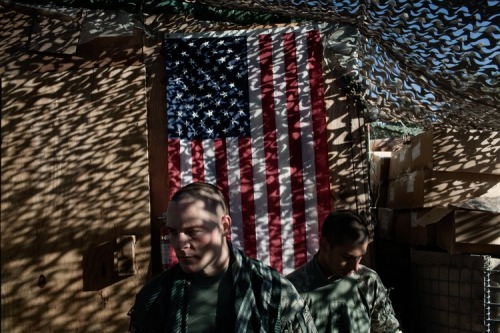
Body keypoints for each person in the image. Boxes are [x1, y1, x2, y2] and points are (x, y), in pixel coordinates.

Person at [128, 182, 317, 333]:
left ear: (224, 226)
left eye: (192, 231)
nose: (179, 243)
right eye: (173, 232)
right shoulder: (154, 297)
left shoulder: (272, 290)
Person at [286, 210, 402, 333]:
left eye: (360, 257)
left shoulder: (367, 281)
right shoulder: (292, 290)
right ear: (325, 246)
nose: (355, 267)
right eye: (347, 258)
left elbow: (389, 329)